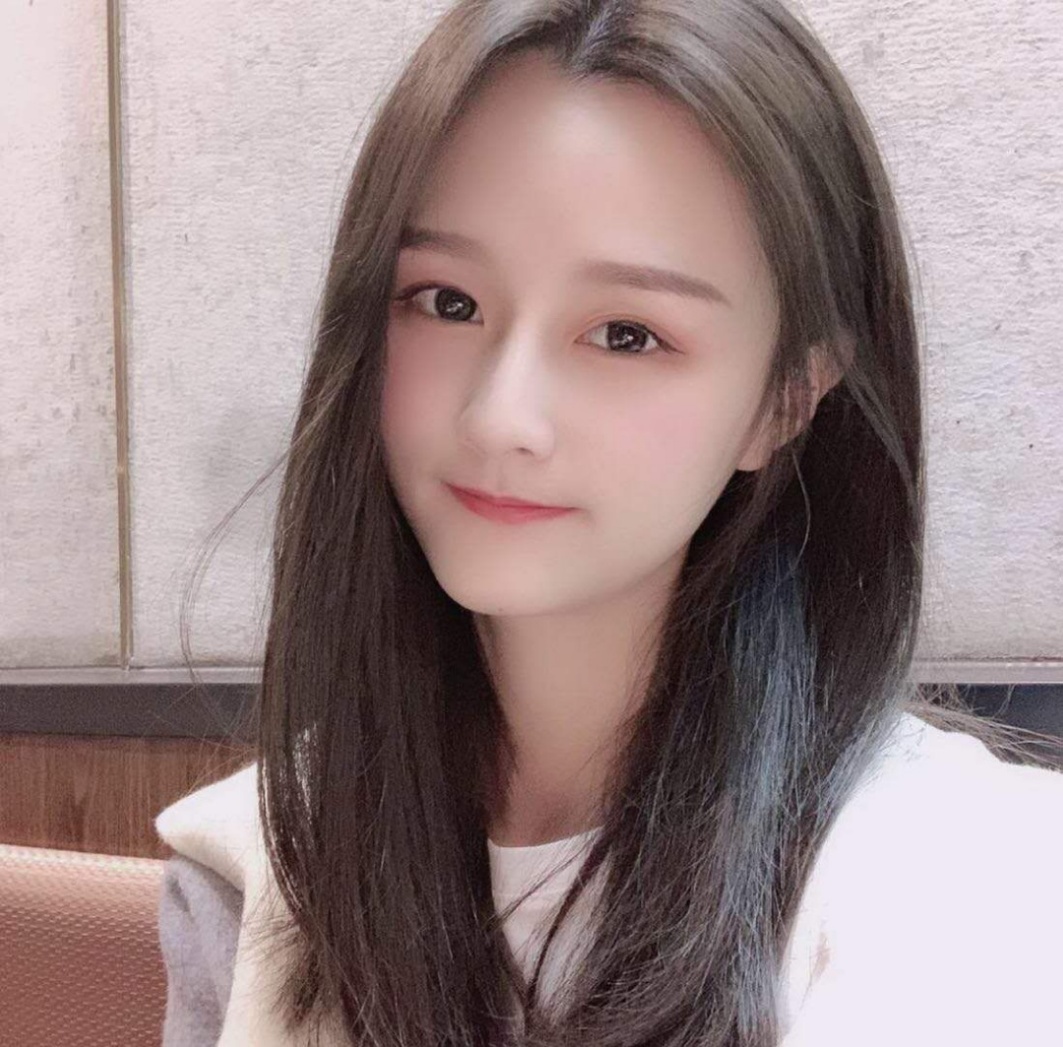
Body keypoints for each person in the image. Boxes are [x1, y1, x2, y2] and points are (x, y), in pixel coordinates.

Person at [154, 1, 1063, 1045]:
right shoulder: (260, 868)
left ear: (786, 398)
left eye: (626, 334)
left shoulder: (963, 887)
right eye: (447, 302)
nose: (500, 416)